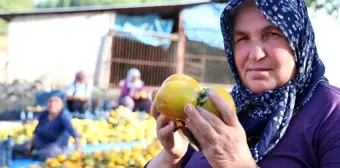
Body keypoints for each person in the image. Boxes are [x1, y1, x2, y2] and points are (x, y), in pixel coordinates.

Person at [145, 0, 340, 168]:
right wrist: (172, 157)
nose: (255, 55)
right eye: (243, 38)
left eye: (271, 34)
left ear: (298, 39)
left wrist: (237, 163)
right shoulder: (219, 106)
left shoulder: (331, 113)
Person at [12, 91, 82, 161]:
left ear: (62, 104)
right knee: (15, 148)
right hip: (40, 143)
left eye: (56, 101)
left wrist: (78, 147)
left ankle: (31, 155)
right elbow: (36, 131)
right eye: (50, 101)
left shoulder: (63, 115)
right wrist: (29, 144)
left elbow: (73, 132)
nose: (52, 104)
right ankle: (29, 154)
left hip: (56, 146)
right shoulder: (44, 114)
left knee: (44, 155)